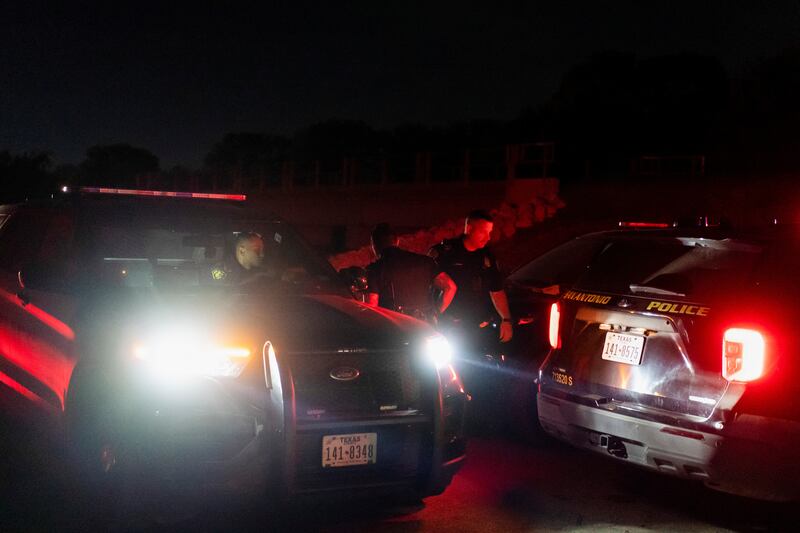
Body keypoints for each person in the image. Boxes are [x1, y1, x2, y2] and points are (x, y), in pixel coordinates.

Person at [429, 210, 513, 343]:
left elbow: (496, 290)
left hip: (477, 328)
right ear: (469, 229)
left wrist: (506, 320)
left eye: (489, 233)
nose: (488, 237)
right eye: (483, 232)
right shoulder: (446, 253)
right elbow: (426, 283)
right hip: (448, 328)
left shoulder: (487, 257)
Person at [366, 223, 456, 324]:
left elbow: (372, 306)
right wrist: (435, 314)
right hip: (426, 328)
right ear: (397, 241)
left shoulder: (375, 269)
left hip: (395, 330)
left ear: (373, 246)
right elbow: (450, 287)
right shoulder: (425, 261)